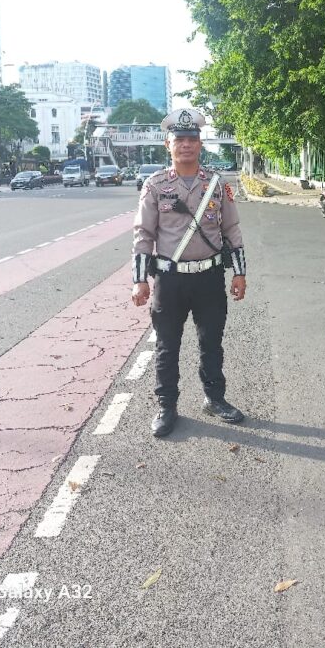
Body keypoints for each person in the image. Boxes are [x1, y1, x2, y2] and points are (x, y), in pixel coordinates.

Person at [131, 107, 247, 438]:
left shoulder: (215, 184)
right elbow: (144, 235)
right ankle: (167, 407)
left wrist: (239, 274)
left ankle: (215, 398)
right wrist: (139, 280)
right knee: (167, 345)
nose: (186, 145)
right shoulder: (154, 186)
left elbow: (232, 230)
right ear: (168, 145)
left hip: (210, 278)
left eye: (191, 139)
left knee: (212, 342)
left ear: (200, 144)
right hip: (170, 280)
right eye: (179, 139)